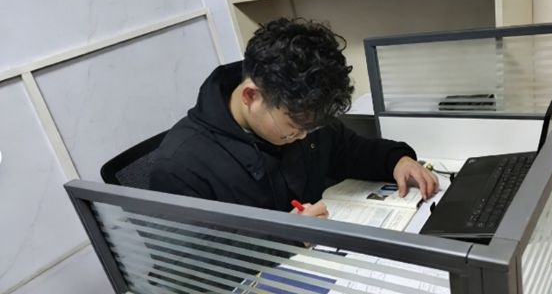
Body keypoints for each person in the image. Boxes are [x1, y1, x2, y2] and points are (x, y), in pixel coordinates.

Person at [150, 17, 437, 219]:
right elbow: (192, 263)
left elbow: (347, 149)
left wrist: (396, 160)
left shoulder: (298, 109)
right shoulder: (180, 166)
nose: (303, 136)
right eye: (293, 128)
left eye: (310, 128)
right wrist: (288, 237)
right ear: (251, 96)